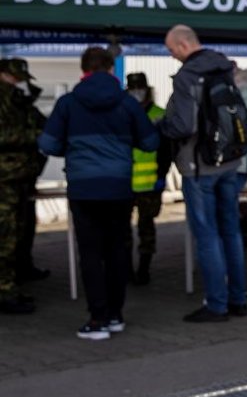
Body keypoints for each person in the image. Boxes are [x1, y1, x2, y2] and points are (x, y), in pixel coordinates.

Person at [38, 47, 159, 339]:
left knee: (91, 253)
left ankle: (97, 319)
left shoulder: (68, 103)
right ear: (109, 68)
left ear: (84, 69)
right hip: (118, 187)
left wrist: (74, 147)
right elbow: (151, 142)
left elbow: (48, 144)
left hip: (83, 189)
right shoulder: (128, 103)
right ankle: (116, 315)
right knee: (117, 249)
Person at [158, 24, 247, 322]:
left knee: (207, 235)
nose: (172, 56)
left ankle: (217, 305)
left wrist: (161, 126)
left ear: (184, 44)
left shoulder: (187, 76)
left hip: (200, 167)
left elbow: (184, 126)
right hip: (230, 163)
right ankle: (238, 300)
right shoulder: (224, 67)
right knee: (231, 232)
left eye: (172, 50)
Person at [0, 58, 48, 315]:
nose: (17, 83)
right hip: (4, 180)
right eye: (13, 78)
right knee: (5, 238)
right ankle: (5, 291)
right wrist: (34, 136)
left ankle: (11, 284)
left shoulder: (18, 101)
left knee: (18, 233)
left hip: (18, 178)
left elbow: (40, 123)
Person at [125, 72, 172, 285]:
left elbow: (167, 149)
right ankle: (125, 269)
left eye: (140, 88)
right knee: (122, 230)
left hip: (150, 182)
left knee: (146, 228)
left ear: (147, 88)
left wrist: (161, 175)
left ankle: (144, 268)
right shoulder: (121, 114)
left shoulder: (159, 114)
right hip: (124, 183)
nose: (137, 92)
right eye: (133, 88)